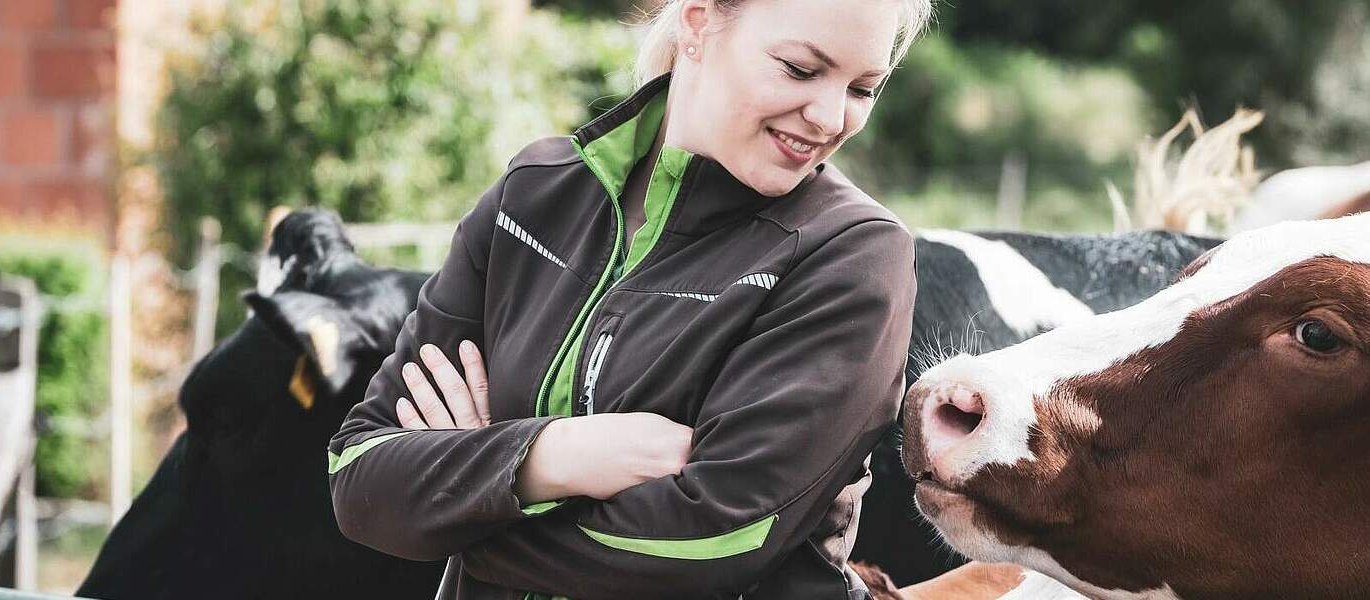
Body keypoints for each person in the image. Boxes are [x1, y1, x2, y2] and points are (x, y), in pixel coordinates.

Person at [325, 0, 932, 597]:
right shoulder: (533, 195)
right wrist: (553, 456)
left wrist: (453, 501)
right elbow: (357, 476)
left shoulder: (853, 257)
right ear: (698, 21)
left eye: (863, 89)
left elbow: (709, 544)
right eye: (800, 69)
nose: (830, 118)